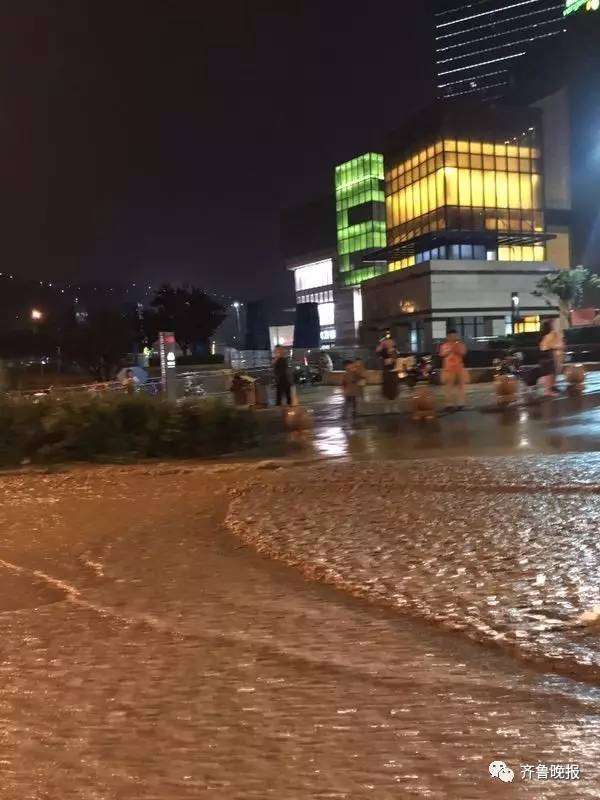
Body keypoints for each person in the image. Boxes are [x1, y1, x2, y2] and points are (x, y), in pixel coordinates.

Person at [439, 329, 467, 411]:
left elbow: (463, 353)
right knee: (448, 387)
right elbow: (442, 354)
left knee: (461, 386)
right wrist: (450, 349)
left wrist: (457, 348)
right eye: (451, 336)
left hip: (459, 368)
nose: (453, 337)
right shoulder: (444, 346)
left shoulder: (460, 344)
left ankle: (460, 403)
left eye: (454, 335)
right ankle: (448, 404)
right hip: (448, 368)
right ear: (447, 337)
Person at [539, 319, 565, 396]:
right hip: (548, 355)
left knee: (553, 372)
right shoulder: (549, 336)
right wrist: (557, 347)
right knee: (549, 373)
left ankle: (552, 387)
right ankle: (549, 390)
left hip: (549, 355)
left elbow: (560, 344)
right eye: (553, 324)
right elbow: (547, 346)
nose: (555, 325)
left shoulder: (550, 335)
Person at [376, 335, 399, 412]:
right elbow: (377, 352)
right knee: (387, 388)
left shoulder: (395, 351)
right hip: (386, 371)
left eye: (391, 341)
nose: (390, 343)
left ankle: (395, 405)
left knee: (394, 388)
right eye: (388, 341)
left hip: (394, 371)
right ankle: (387, 406)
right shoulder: (383, 351)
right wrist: (381, 344)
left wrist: (394, 360)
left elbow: (398, 359)